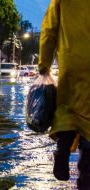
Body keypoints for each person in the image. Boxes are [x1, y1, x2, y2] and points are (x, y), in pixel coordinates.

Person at [38, 0, 90, 189]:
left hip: (71, 64)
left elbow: (49, 30)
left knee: (67, 109)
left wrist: (44, 64)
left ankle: (62, 148)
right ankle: (86, 174)